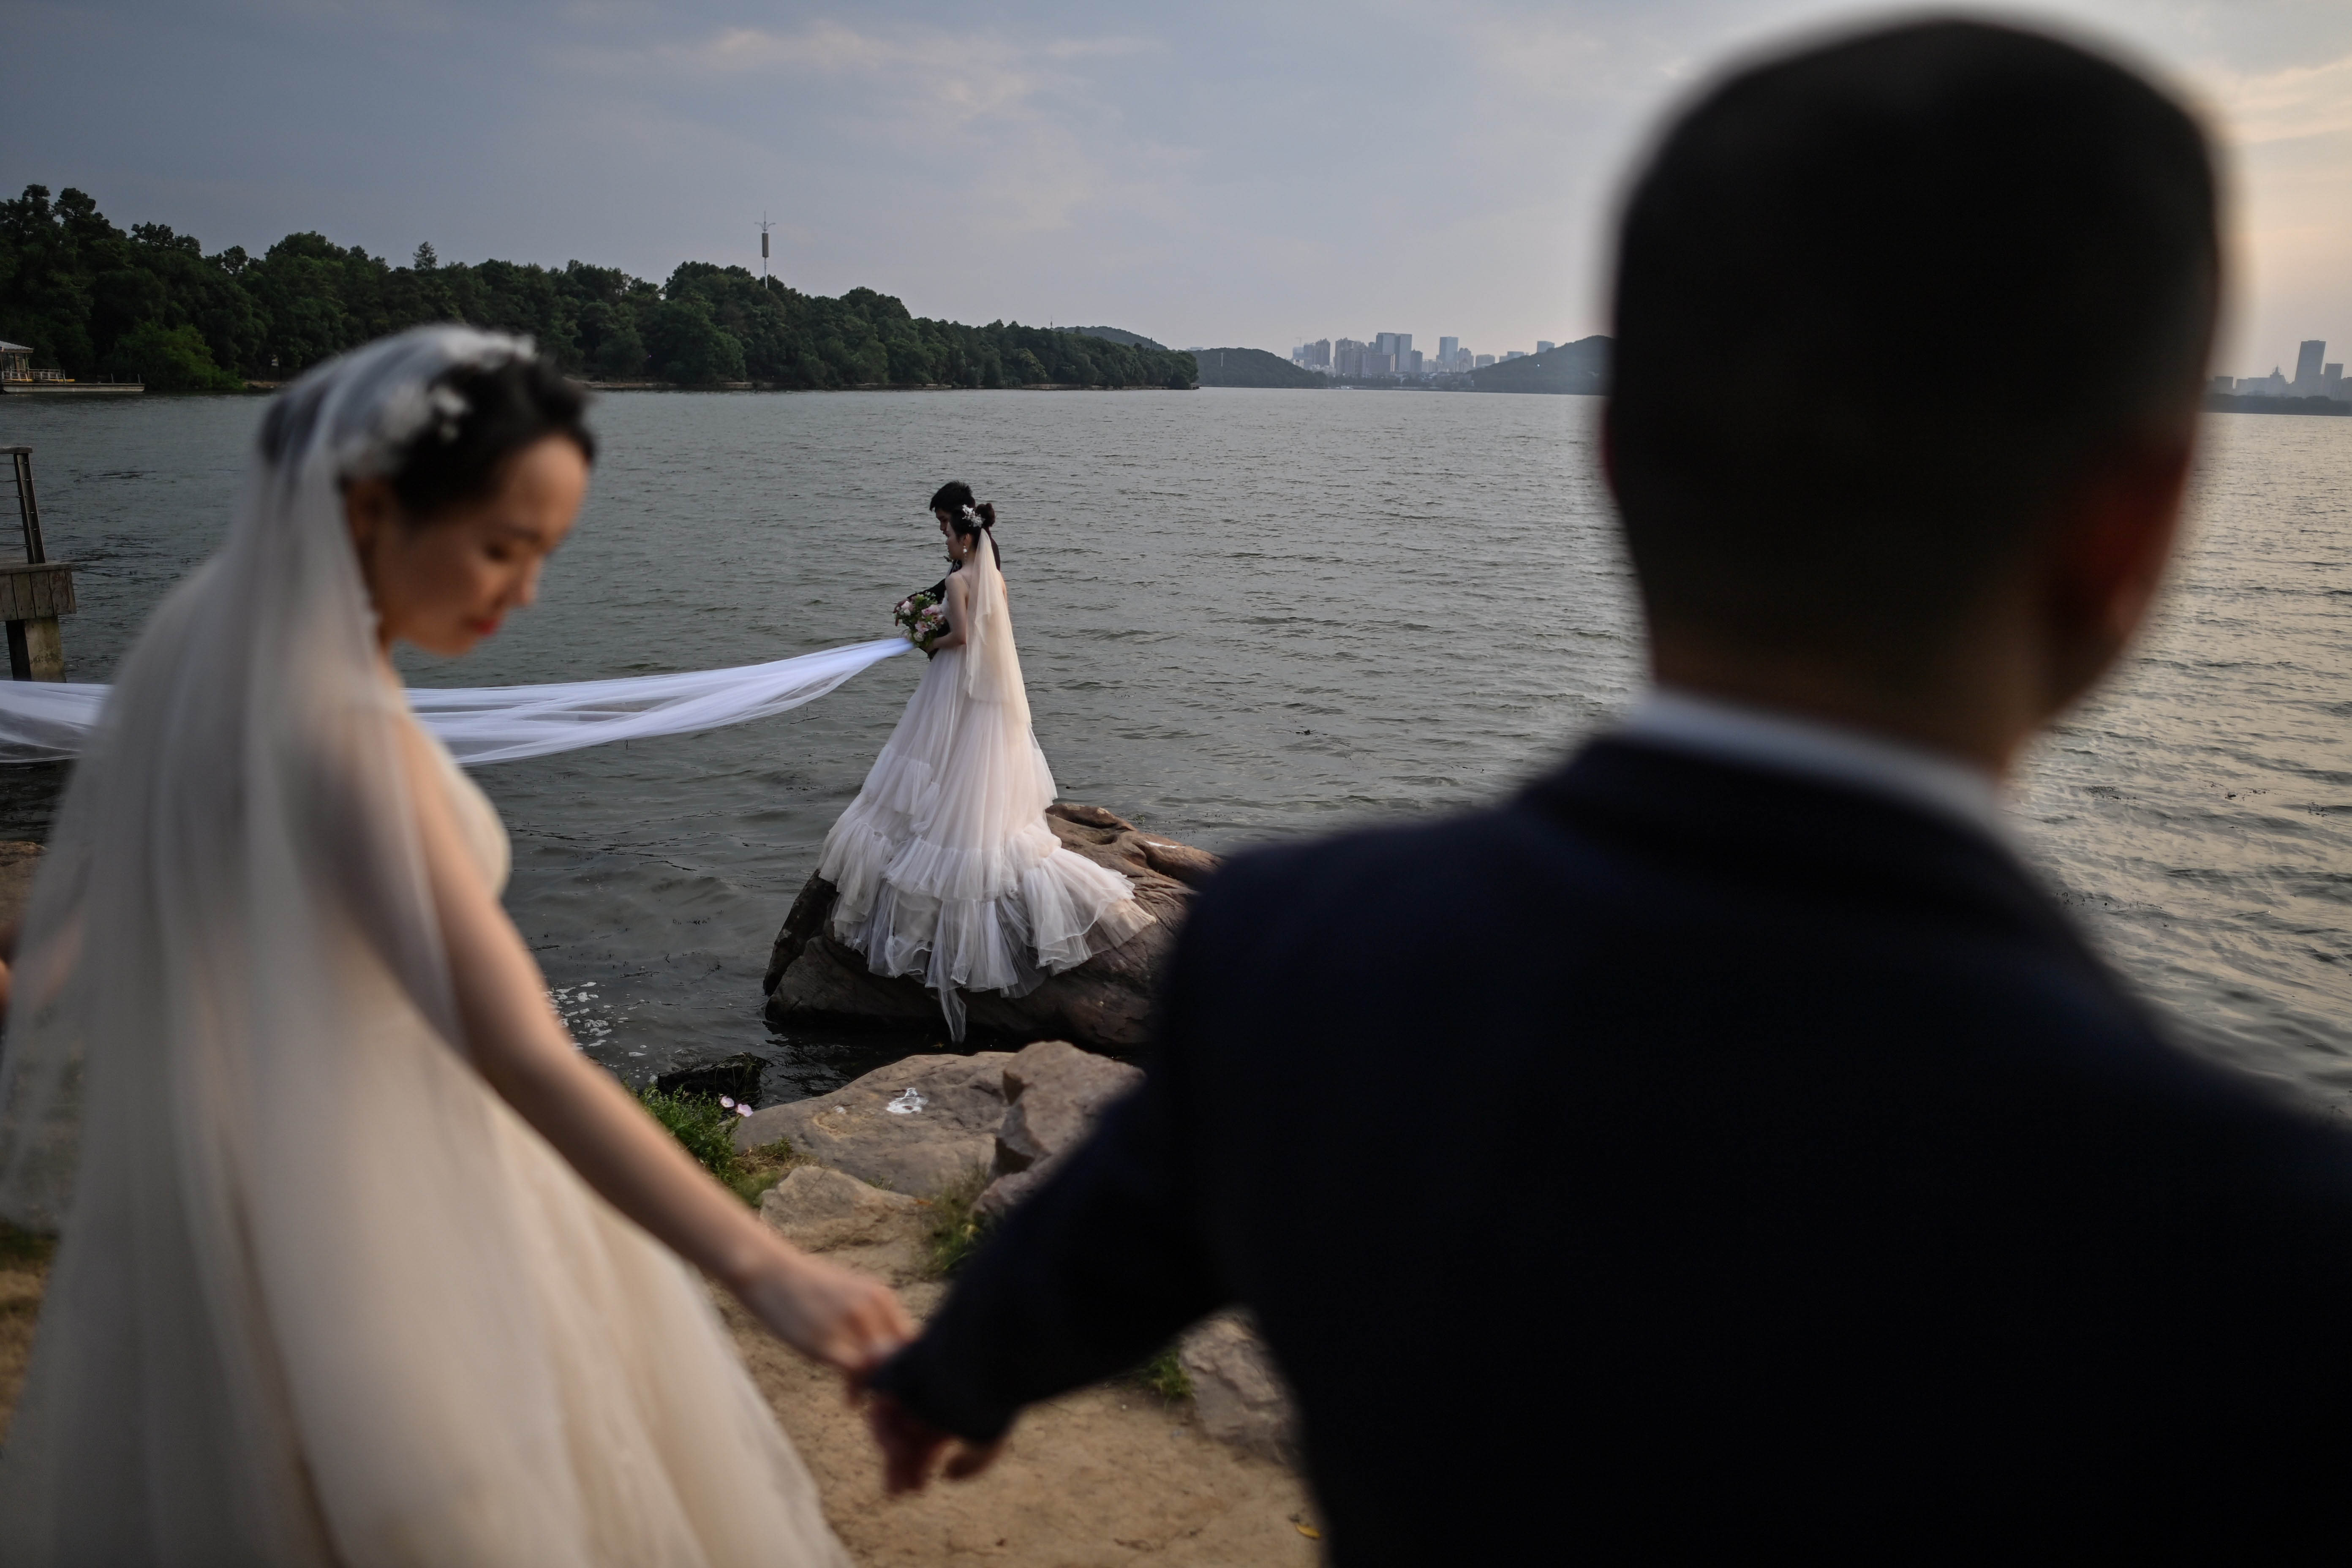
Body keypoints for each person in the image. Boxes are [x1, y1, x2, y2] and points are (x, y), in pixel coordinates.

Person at [861, 19, 2352, 1559]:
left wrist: (953, 1375)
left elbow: (1113, 1241)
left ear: (1617, 461)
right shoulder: (2263, 1258)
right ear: (2132, 535)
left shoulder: (1298, 954)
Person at [0, 327, 904, 1564]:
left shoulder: (221, 668)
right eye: (501, 545)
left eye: (546, 553)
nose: (525, 591)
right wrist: (768, 1270)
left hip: (231, 1188)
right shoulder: (352, 747)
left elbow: (103, 916)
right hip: (392, 1202)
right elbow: (524, 1057)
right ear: (372, 508)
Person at [816, 482, 1152, 1039]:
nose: (941, 539)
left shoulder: (957, 579)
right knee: (973, 771)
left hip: (953, 684)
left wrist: (926, 636)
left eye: (944, 529)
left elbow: (964, 637)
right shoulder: (996, 577)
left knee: (935, 758)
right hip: (991, 693)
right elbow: (995, 639)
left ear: (960, 530)